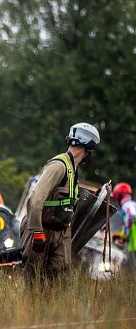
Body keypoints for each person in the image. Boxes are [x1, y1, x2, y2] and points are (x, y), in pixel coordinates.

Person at [21, 122, 100, 285]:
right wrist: (37, 231)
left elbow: (66, 199)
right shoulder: (58, 165)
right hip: (41, 229)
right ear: (87, 146)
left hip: (60, 231)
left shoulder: (73, 168)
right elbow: (35, 199)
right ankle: (28, 310)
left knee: (60, 278)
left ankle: (53, 310)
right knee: (33, 280)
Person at [112, 182, 136, 266]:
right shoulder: (133, 204)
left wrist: (124, 236)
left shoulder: (127, 205)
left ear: (119, 196)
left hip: (134, 244)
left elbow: (130, 217)